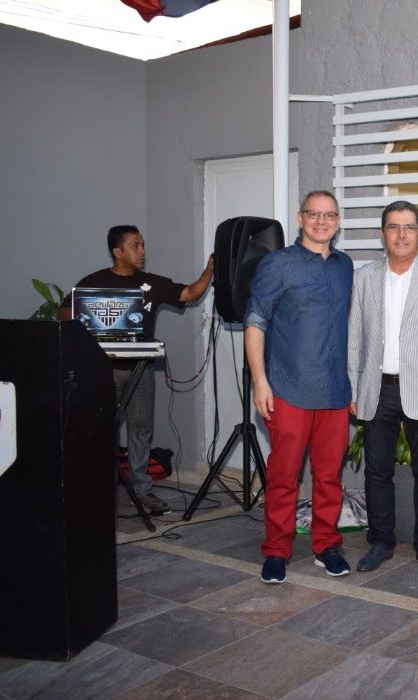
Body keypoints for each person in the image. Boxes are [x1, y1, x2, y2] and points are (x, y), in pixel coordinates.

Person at [59, 225, 213, 515]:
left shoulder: (152, 283)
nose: (142, 252)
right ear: (118, 252)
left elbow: (190, 293)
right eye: (135, 246)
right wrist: (94, 311)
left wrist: (210, 269)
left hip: (141, 369)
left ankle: (141, 490)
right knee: (102, 429)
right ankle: (97, 488)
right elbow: (63, 312)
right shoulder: (94, 282)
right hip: (102, 370)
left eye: (143, 245)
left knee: (141, 430)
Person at [348, 201, 418, 574]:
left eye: (409, 227)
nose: (401, 234)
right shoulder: (364, 277)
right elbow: (354, 340)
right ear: (383, 233)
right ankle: (380, 541)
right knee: (376, 470)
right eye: (394, 227)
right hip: (375, 388)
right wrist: (352, 389)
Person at [244, 190, 353, 584]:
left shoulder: (345, 267)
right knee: (284, 476)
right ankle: (276, 550)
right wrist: (261, 382)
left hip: (335, 393)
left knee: (329, 477)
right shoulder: (278, 265)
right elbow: (254, 323)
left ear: (338, 221)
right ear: (300, 217)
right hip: (288, 389)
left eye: (329, 215)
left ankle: (326, 545)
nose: (321, 221)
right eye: (313, 214)